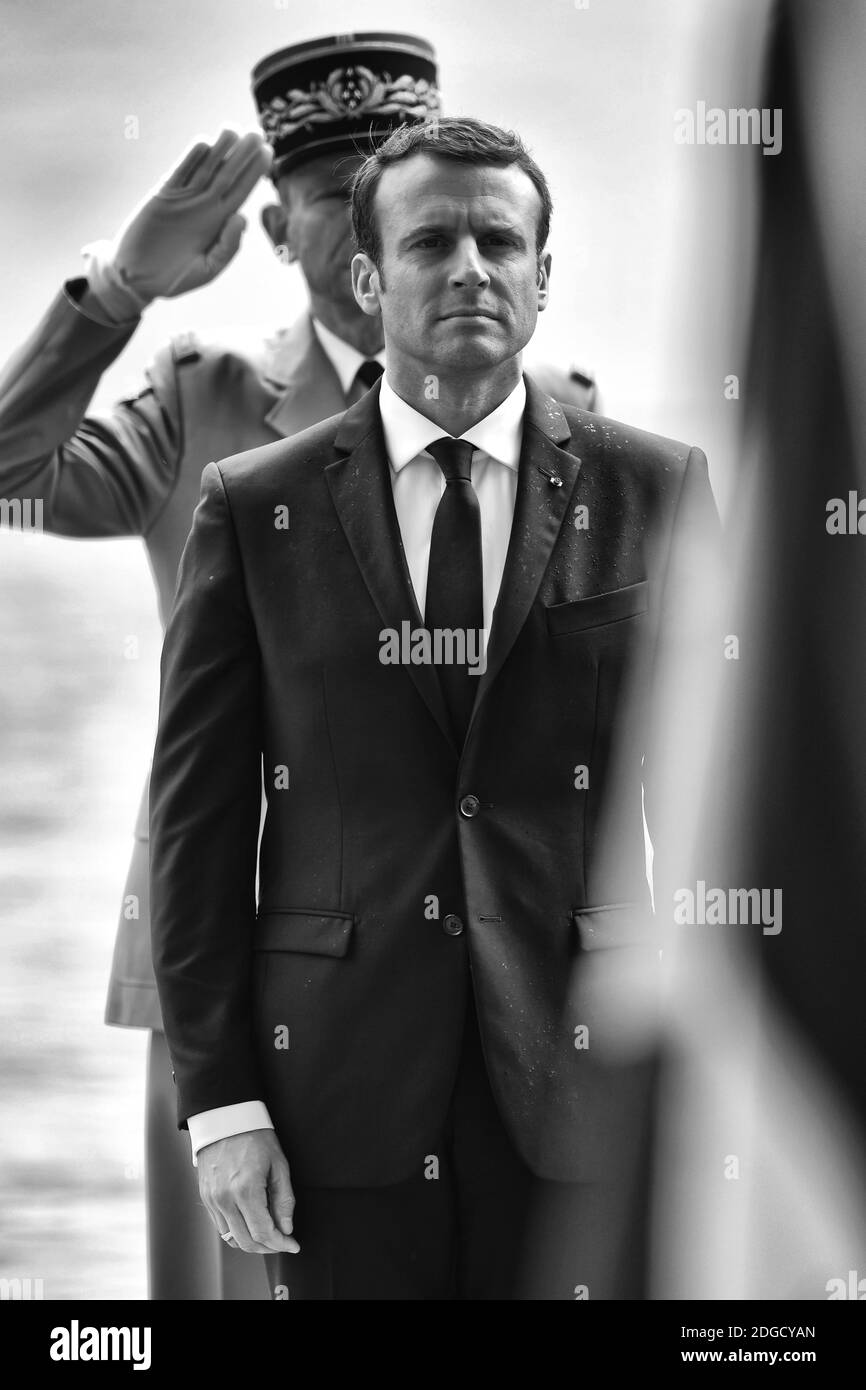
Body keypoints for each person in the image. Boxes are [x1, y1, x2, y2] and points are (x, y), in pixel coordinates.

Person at [0, 32, 598, 1301]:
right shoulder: (204, 395)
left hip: (486, 971)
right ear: (279, 226)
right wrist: (117, 289)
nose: (368, 219)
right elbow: (7, 479)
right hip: (229, 953)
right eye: (332, 193)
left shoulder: (556, 409)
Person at [149, 115, 719, 1301]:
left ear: (541, 277)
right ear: (367, 276)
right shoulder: (256, 509)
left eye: (498, 242)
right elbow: (197, 833)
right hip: (331, 1104)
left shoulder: (654, 491)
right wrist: (219, 1103)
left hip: (586, 1093)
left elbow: (714, 810)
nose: (469, 266)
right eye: (430, 242)